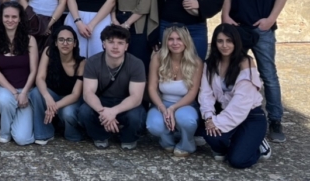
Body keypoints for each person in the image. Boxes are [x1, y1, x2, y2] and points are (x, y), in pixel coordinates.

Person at [221, 0, 291, 143]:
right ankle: (230, 113)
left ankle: (275, 119)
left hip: (262, 27)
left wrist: (271, 19)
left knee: (268, 74)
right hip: (236, 25)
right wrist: (225, 14)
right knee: (230, 71)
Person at [199, 24, 272, 168]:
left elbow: (241, 103)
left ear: (236, 42)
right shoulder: (210, 64)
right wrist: (208, 118)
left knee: (237, 161)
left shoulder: (246, 63)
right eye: (220, 41)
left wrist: (217, 122)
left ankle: (258, 144)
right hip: (225, 111)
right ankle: (241, 140)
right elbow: (205, 94)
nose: (224, 45)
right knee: (210, 134)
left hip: (250, 115)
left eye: (229, 41)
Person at [79, 25, 147, 149]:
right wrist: (103, 112)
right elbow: (88, 93)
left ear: (126, 46)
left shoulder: (136, 64)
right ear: (103, 44)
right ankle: (100, 135)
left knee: (136, 117)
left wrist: (113, 111)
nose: (115, 47)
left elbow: (136, 97)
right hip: (102, 101)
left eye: (120, 43)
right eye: (111, 42)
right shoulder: (93, 62)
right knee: (84, 111)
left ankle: (128, 137)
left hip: (126, 103)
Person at [146, 25, 203, 157]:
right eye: (171, 39)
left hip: (186, 104)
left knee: (187, 120)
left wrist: (173, 108)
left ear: (186, 41)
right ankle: (167, 141)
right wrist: (162, 107)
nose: (175, 43)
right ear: (166, 42)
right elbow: (151, 88)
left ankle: (187, 144)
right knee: (153, 125)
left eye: (179, 39)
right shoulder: (158, 58)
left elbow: (192, 93)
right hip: (162, 102)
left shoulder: (196, 62)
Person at [0, 1, 38, 146]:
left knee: (23, 139)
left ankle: (16, 124)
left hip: (26, 90)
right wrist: (15, 93)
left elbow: (34, 70)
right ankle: (4, 133)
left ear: (20, 19)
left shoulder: (30, 40)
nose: (10, 20)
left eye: (14, 17)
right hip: (4, 89)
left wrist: (24, 93)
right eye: (7, 16)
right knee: (5, 100)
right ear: (1, 18)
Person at [29, 26, 86, 145]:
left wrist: (54, 106)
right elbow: (40, 78)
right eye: (61, 40)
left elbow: (76, 95)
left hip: (71, 100)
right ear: (56, 43)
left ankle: (72, 133)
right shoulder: (49, 52)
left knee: (67, 113)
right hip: (53, 96)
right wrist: (47, 97)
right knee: (36, 93)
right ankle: (44, 133)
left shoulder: (81, 63)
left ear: (75, 43)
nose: (65, 43)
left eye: (69, 40)